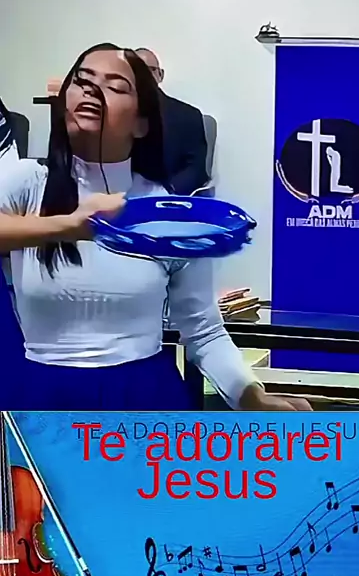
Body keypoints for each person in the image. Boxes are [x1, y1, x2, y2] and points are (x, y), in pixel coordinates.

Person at [0, 43, 311, 412]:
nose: (92, 90)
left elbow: (203, 329)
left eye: (115, 86)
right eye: (82, 80)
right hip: (42, 394)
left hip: (143, 394)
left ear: (142, 123)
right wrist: (69, 226)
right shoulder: (28, 182)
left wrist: (252, 396)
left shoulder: (166, 210)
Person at [135, 47, 209, 195]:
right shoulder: (114, 113)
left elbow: (196, 168)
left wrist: (167, 191)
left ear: (160, 75)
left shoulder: (188, 116)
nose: (142, 77)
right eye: (136, 70)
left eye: (149, 70)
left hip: (167, 196)